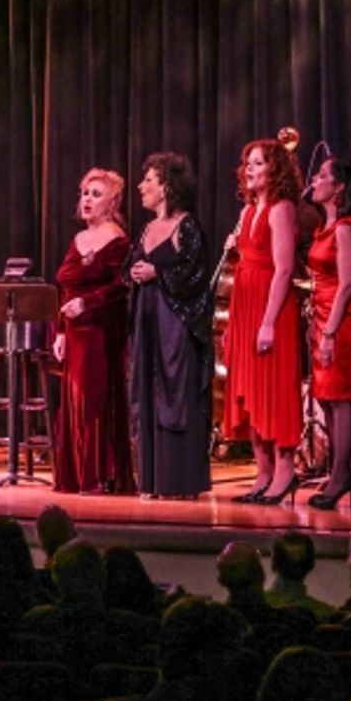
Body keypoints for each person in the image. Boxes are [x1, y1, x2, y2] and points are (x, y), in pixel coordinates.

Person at [124, 152, 212, 499]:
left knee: (174, 393)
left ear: (167, 186)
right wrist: (134, 273)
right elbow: (132, 266)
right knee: (147, 390)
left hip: (174, 323)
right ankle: (151, 480)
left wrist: (157, 273)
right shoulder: (146, 228)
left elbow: (195, 275)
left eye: (149, 179)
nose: (141, 186)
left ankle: (178, 481)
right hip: (147, 321)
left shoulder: (186, 226)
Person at [222, 139, 303, 503]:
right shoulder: (248, 211)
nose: (250, 168)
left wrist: (268, 322)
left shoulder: (281, 209)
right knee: (250, 389)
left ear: (275, 169)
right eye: (247, 162)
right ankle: (263, 473)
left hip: (270, 307)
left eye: (258, 163)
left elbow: (284, 270)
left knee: (273, 387)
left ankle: (285, 473)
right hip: (245, 304)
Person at [53, 167, 132, 494]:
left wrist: (87, 304)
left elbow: (121, 285)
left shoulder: (117, 239)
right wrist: (59, 331)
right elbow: (66, 288)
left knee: (93, 398)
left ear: (112, 203)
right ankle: (76, 475)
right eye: (85, 193)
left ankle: (98, 474)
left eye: (96, 195)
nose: (87, 200)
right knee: (73, 400)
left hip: (99, 328)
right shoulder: (78, 238)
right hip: (74, 330)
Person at [304, 157, 351, 509]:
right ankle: (336, 470)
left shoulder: (345, 228)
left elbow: (347, 285)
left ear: (339, 187)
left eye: (323, 175)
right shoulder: (323, 227)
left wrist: (329, 333)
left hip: (339, 319)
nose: (315, 179)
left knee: (339, 397)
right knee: (326, 397)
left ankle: (343, 474)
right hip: (321, 315)